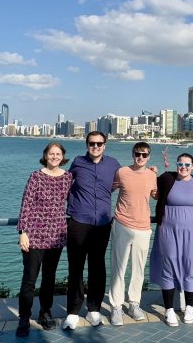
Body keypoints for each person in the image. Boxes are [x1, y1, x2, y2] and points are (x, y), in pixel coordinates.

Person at [63, 131, 121, 330]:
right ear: (86, 145)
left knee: (97, 266)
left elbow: (123, 181)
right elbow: (64, 185)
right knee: (76, 267)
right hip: (78, 220)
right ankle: (72, 312)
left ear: (105, 145)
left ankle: (94, 309)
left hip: (103, 222)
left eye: (99, 143)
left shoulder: (113, 164)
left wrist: (150, 172)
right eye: (91, 143)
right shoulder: (78, 163)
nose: (95, 147)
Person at [16, 143, 73, 338]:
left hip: (56, 235)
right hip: (33, 236)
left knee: (49, 278)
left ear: (63, 156)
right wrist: (22, 232)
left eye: (58, 154)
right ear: (45, 156)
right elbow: (26, 204)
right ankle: (24, 317)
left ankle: (45, 313)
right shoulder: (35, 176)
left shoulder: (68, 177)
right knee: (29, 280)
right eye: (51, 154)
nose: (55, 157)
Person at [150, 153, 193, 327]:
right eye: (180, 163)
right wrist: (151, 172)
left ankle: (189, 307)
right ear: (176, 164)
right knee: (168, 264)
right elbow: (150, 184)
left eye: (187, 164)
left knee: (191, 264)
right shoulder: (167, 178)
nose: (184, 167)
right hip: (167, 228)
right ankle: (169, 310)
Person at [109, 142, 158, 326]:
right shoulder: (121, 172)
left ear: (149, 157)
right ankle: (116, 306)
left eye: (144, 155)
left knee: (138, 269)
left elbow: (157, 195)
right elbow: (107, 190)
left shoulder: (152, 175)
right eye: (137, 154)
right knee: (118, 268)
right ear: (132, 155)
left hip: (144, 227)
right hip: (122, 224)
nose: (140, 157)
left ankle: (134, 303)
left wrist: (159, 176)